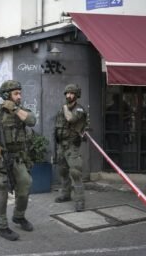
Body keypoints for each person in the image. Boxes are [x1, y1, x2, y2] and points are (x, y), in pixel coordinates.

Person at [0, 80, 36, 241]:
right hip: (1, 158)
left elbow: (32, 121)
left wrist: (16, 109)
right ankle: (2, 226)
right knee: (1, 191)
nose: (20, 96)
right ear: (6, 95)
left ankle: (18, 216)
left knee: (25, 183)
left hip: (18, 158)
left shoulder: (21, 111)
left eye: (20, 93)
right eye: (16, 93)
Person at [54, 84, 88, 212]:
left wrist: (64, 108)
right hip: (61, 145)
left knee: (75, 172)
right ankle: (66, 194)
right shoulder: (62, 109)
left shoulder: (79, 110)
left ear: (76, 95)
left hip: (72, 146)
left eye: (72, 93)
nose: (68, 95)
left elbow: (70, 119)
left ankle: (80, 201)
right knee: (63, 171)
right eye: (67, 93)